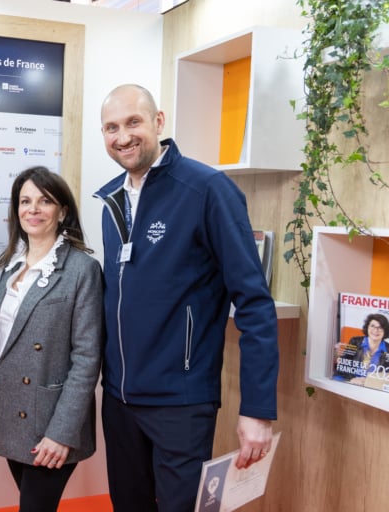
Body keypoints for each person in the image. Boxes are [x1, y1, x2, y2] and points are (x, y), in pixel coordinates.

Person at [94, 84, 279, 512]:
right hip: (120, 399)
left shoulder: (207, 188)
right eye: (111, 127)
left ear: (159, 122)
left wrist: (257, 410)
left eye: (133, 122)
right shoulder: (113, 199)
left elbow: (253, 302)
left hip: (180, 400)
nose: (122, 137)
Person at [0, 167, 103, 512]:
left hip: (50, 419)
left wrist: (62, 432)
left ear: (62, 211)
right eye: (25, 201)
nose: (33, 209)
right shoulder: (10, 266)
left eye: (44, 201)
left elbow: (87, 359)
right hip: (11, 412)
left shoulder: (82, 269)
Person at [333, 313, 389, 384]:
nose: (376, 330)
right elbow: (343, 365)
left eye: (380, 327)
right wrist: (352, 379)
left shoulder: (388, 349)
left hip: (372, 386)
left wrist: (370, 382)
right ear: (367, 327)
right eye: (372, 326)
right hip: (349, 381)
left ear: (385, 330)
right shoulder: (355, 341)